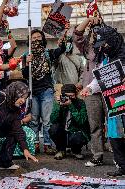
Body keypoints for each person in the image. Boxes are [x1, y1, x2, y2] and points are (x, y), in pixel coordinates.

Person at [80, 25, 125, 177]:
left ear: (112, 41)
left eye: (105, 44)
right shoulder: (105, 59)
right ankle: (122, 166)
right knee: (115, 135)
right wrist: (89, 88)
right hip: (114, 104)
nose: (103, 48)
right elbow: (100, 79)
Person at [22, 29, 66, 155]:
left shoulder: (48, 53)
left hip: (46, 90)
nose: (36, 40)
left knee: (47, 119)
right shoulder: (26, 56)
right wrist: (27, 64)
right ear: (29, 41)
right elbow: (25, 75)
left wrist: (63, 39)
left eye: (38, 37)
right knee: (34, 119)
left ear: (43, 39)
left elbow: (61, 50)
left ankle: (47, 144)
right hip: (32, 91)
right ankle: (35, 143)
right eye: (33, 38)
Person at [73, 17, 106, 167]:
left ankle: (120, 156)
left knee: (115, 123)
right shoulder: (87, 47)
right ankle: (97, 155)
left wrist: (100, 22)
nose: (95, 32)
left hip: (109, 88)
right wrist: (88, 19)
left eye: (98, 29)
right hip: (90, 90)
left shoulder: (111, 44)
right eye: (93, 29)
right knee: (95, 124)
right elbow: (77, 34)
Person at [0, 77, 38, 170]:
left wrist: (25, 149)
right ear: (15, 93)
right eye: (21, 97)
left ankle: (3, 162)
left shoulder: (16, 109)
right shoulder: (0, 97)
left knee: (14, 133)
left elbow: (18, 129)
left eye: (25, 98)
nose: (23, 101)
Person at [49, 84, 90, 160]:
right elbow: (53, 120)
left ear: (76, 94)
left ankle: (76, 150)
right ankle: (61, 150)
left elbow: (81, 121)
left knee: (77, 137)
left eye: (71, 96)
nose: (69, 98)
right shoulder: (59, 103)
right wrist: (59, 107)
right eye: (67, 96)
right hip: (63, 131)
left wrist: (71, 106)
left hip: (76, 131)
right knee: (53, 129)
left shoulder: (81, 103)